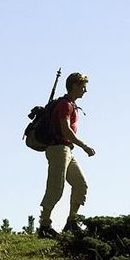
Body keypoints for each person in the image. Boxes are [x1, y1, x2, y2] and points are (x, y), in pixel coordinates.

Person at [38, 72, 96, 239]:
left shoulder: (70, 104)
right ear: (74, 86)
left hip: (66, 150)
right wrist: (85, 146)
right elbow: (66, 130)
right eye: (83, 86)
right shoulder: (65, 105)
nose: (85, 90)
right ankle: (44, 226)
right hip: (58, 149)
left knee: (80, 185)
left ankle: (71, 222)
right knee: (56, 188)